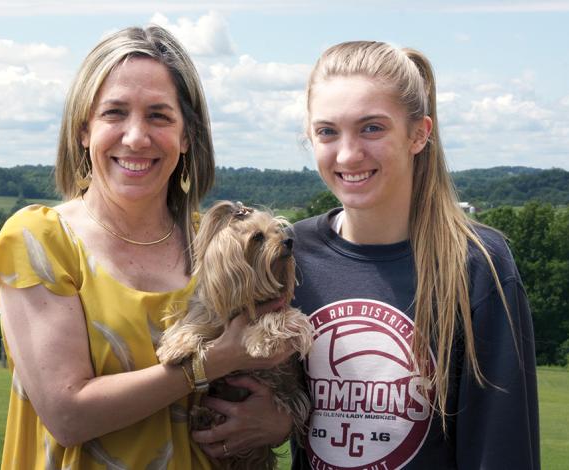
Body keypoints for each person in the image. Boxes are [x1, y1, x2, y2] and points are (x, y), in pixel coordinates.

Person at [195, 41, 540, 469]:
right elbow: (261, 375)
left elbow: (501, 446)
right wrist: (281, 422)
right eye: (327, 132)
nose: (347, 154)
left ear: (419, 134)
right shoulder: (290, 254)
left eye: (372, 128)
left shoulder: (476, 263)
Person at [0, 25, 291, 469]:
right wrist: (213, 361)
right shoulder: (38, 241)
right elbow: (68, 414)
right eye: (115, 113)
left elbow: (270, 363)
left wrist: (278, 423)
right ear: (84, 130)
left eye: (159, 116)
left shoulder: (221, 246)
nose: (136, 137)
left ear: (186, 137)